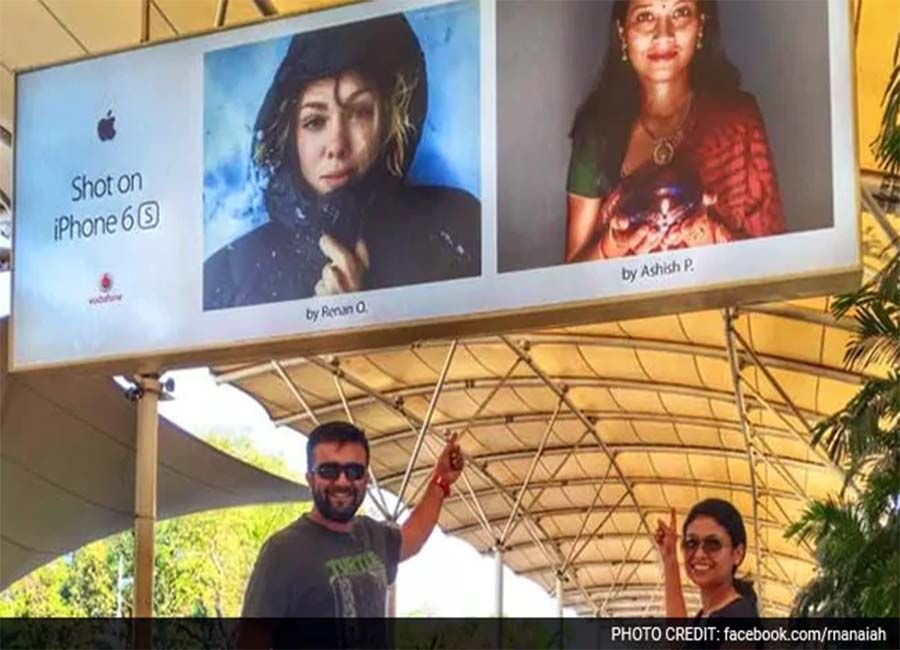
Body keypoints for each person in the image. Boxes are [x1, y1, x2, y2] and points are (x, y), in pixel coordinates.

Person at [204, 14, 480, 310]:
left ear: (391, 118)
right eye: (314, 121)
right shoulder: (225, 277)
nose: (336, 145)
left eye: (359, 112)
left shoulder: (459, 228)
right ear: (287, 134)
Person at [565, 0, 783, 263]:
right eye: (646, 16)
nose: (664, 34)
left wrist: (712, 236)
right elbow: (573, 275)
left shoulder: (737, 121)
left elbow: (775, 261)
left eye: (680, 13)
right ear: (622, 33)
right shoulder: (596, 133)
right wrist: (610, 247)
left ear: (700, 25)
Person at [238, 421, 463, 645]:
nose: (342, 481)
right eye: (329, 470)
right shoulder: (283, 551)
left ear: (365, 479)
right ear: (310, 478)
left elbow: (412, 538)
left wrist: (440, 481)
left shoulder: (372, 534)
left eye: (354, 471)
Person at [655, 498, 760, 619]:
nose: (699, 554)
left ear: (737, 553)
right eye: (691, 543)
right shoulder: (706, 615)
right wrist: (670, 557)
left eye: (712, 544)